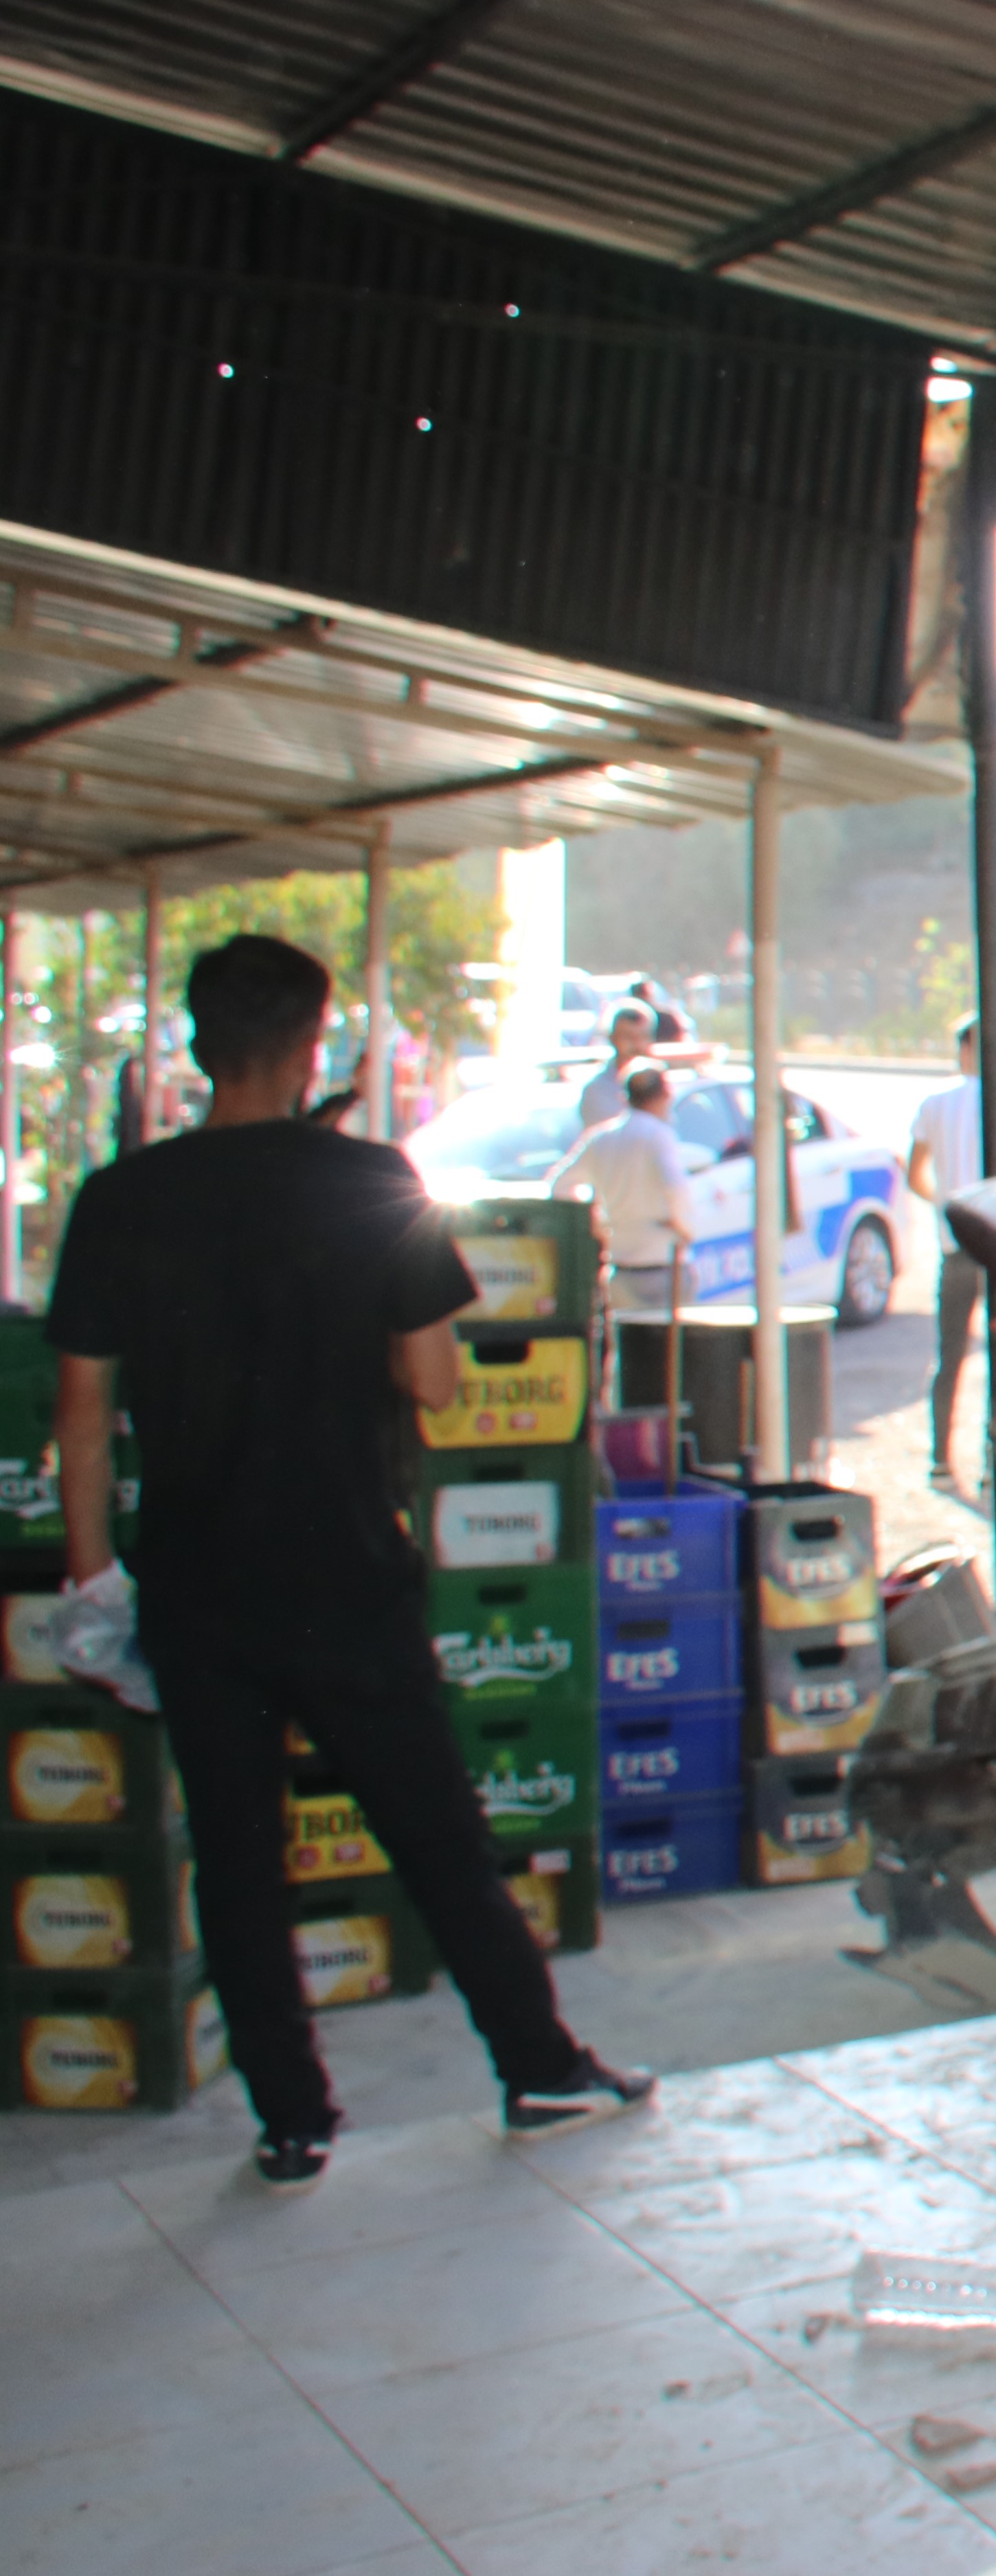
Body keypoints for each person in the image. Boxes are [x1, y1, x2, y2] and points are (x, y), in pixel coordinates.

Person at [47, 936, 652, 2188]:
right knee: (435, 1835)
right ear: (312, 1043)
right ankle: (538, 2070)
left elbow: (81, 1415)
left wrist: (97, 1578)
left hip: (195, 1587)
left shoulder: (122, 1198)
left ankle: (291, 2121)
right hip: (343, 1577)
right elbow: (434, 1379)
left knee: (237, 1851)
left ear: (199, 1044)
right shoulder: (372, 1180)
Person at [904, 1015, 988, 1491]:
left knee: (949, 1353)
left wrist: (941, 1203)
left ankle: (940, 1458)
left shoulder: (935, 1104)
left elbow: (916, 1173)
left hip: (954, 1244)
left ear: (961, 1051)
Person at [545, 1059, 699, 1315]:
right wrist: (686, 1229)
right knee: (670, 1349)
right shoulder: (659, 1135)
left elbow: (559, 1185)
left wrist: (594, 1222)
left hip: (620, 1265)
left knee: (628, 1346)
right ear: (664, 1096)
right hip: (663, 1261)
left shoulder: (601, 1138)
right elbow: (675, 1187)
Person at [572, 1002, 654, 1128]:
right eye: (628, 1037)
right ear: (612, 1038)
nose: (638, 1045)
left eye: (644, 1036)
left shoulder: (663, 1085)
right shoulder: (597, 1091)